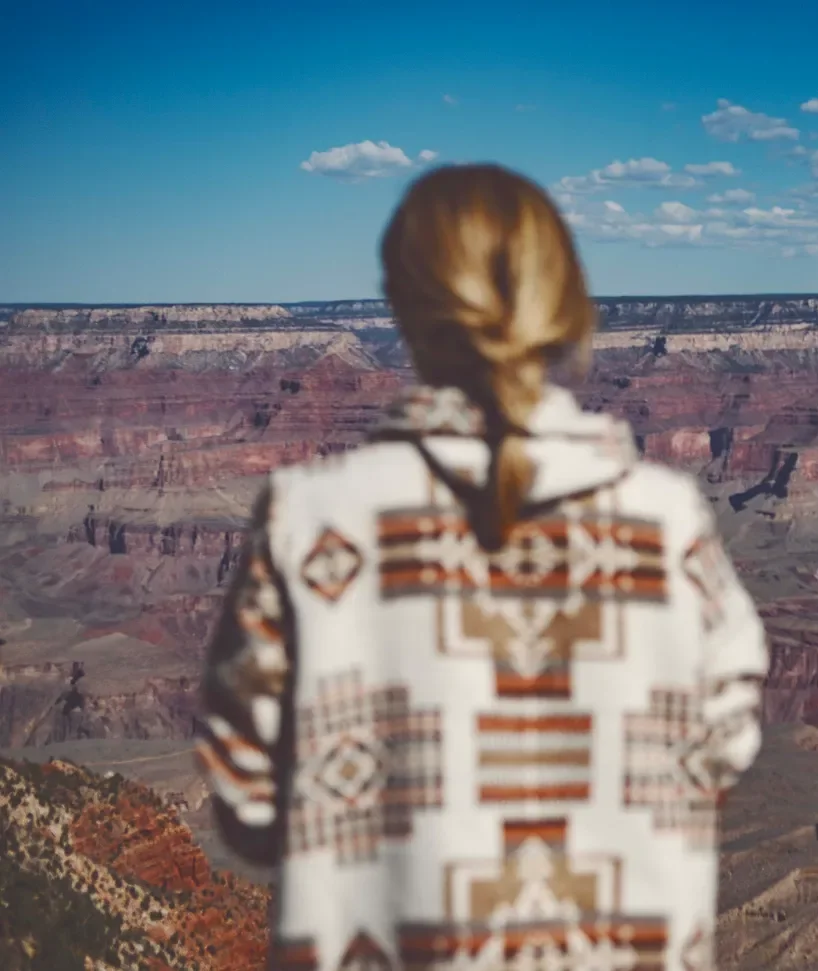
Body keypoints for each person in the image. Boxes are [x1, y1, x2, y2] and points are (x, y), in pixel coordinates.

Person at [194, 163, 769, 971]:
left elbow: (246, 793)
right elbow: (727, 745)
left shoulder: (312, 521)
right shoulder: (668, 527)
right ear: (566, 306)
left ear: (403, 308)